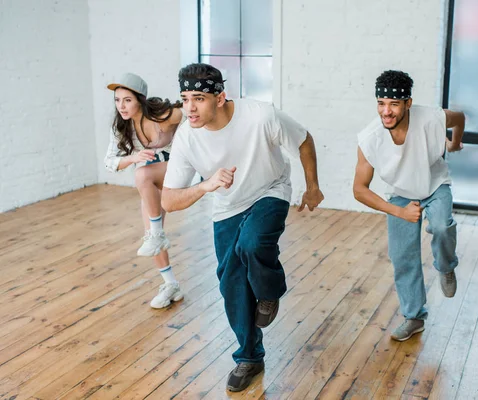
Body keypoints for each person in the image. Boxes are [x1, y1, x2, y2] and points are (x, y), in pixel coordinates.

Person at [161, 63, 324, 392]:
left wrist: (312, 186)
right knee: (231, 283)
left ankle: (269, 291)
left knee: (250, 244)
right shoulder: (187, 139)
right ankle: (249, 357)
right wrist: (205, 186)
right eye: (184, 98)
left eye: (198, 98)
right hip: (227, 205)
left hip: (270, 190)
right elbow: (168, 200)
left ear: (220, 97)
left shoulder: (261, 116)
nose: (189, 107)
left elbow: (304, 141)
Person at [353, 70, 465, 342]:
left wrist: (455, 143)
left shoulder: (430, 118)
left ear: (408, 103)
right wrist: (400, 212)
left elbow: (459, 117)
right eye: (381, 103)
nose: (386, 111)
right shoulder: (370, 138)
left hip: (435, 183)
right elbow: (359, 190)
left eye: (393, 104)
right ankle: (414, 317)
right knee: (403, 257)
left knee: (440, 226)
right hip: (401, 194)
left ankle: (446, 265)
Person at [104, 72, 185, 309]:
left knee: (141, 174)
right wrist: (133, 157)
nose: (121, 106)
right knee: (151, 233)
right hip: (151, 178)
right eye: (117, 100)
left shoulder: (162, 115)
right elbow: (110, 162)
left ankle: (157, 234)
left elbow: (193, 113)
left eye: (127, 100)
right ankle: (171, 285)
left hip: (177, 169)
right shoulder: (121, 125)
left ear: (140, 98)